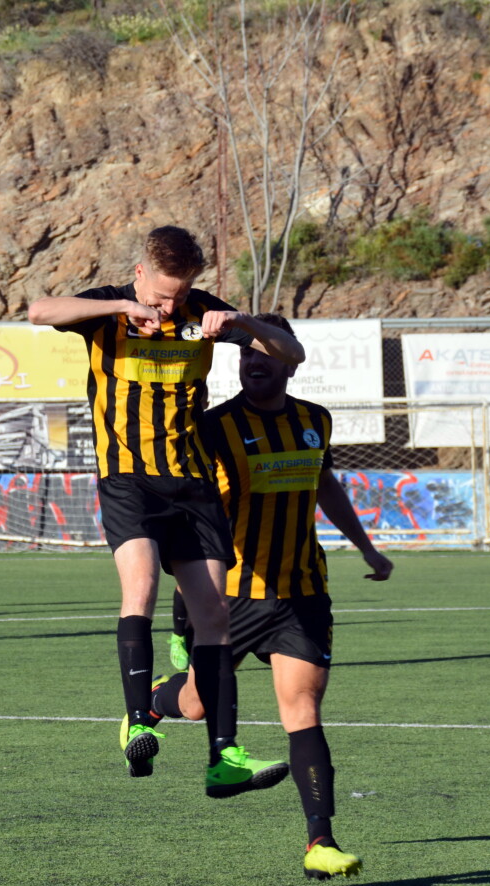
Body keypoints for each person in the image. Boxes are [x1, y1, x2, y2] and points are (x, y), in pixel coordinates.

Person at [27, 225, 304, 791]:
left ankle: (224, 758)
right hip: (129, 478)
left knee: (215, 616)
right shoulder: (108, 309)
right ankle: (136, 722)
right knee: (143, 588)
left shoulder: (201, 313)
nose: (170, 306)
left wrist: (244, 324)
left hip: (193, 484)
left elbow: (291, 352)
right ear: (140, 273)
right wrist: (124, 307)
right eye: (160, 294)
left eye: (181, 294)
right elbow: (38, 310)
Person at [147, 315, 394, 880]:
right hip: (229, 596)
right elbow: (189, 509)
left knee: (303, 709)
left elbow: (324, 484)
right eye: (246, 354)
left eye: (264, 354)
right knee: (197, 705)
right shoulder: (214, 427)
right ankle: (155, 701)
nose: (254, 362)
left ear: (289, 361)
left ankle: (320, 843)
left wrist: (366, 548)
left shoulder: (315, 421)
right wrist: (186, 594)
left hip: (302, 592)